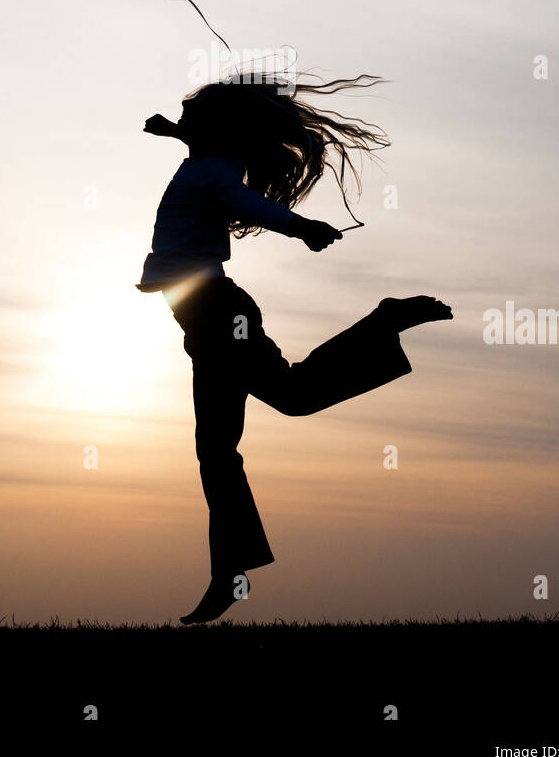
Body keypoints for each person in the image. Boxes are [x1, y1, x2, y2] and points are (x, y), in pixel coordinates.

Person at [135, 75, 452, 624]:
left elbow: (245, 202)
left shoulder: (213, 171)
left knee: (276, 409)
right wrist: (174, 133)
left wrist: (300, 226)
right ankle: (229, 575)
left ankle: (384, 323)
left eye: (190, 120)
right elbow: (206, 150)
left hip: (217, 315)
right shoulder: (209, 156)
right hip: (205, 316)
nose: (181, 124)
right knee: (227, 440)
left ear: (213, 132)